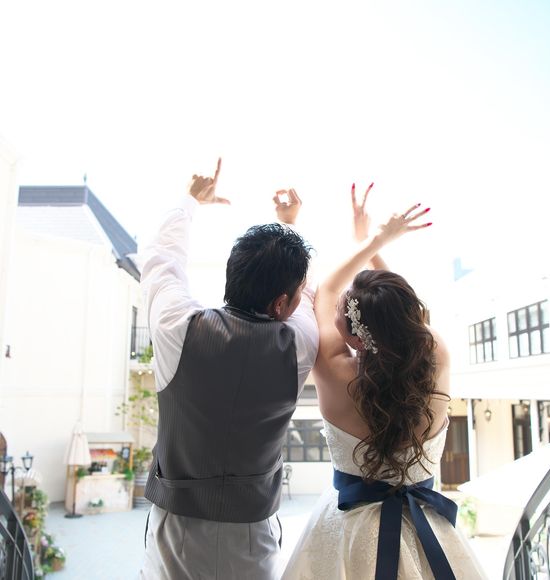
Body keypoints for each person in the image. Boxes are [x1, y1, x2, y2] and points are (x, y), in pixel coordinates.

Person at [282, 184, 487, 579]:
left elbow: (326, 288)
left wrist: (375, 240)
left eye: (342, 313)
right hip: (429, 528)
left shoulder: (335, 372)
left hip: (349, 532)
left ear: (358, 339)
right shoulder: (438, 356)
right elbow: (405, 315)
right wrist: (373, 242)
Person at [139, 159, 319, 580]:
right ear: (281, 304)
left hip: (175, 534)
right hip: (252, 537)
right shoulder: (300, 344)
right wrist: (289, 224)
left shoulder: (177, 328)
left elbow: (161, 260)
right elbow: (307, 294)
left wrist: (189, 201)